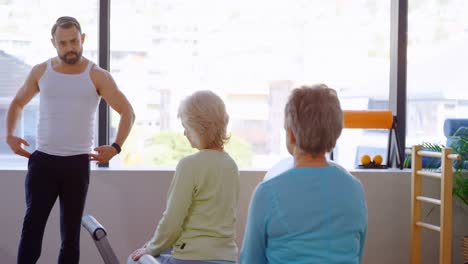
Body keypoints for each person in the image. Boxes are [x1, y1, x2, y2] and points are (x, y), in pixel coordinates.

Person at [5, 16, 135, 264]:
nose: (69, 48)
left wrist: (116, 147)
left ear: (82, 38)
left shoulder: (97, 75)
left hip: (76, 164)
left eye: (74, 41)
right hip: (43, 162)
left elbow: (128, 111)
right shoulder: (41, 71)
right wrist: (10, 135)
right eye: (63, 43)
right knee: (32, 228)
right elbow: (18, 102)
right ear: (53, 43)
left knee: (70, 235)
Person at [240, 84, 368, 264]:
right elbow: (356, 251)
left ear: (291, 134)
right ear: (335, 133)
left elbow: (250, 260)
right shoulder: (355, 189)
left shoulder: (267, 192)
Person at [129, 90, 239, 264]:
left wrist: (150, 248)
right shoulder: (231, 165)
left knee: (134, 260)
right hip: (226, 258)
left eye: (186, 128)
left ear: (199, 128)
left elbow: (173, 220)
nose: (185, 134)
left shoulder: (189, 165)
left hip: (191, 257)